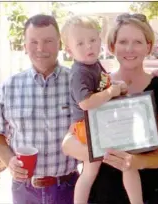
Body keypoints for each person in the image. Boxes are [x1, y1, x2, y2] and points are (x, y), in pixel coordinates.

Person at [62, 13, 158, 204]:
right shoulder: (100, 85)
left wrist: (137, 161)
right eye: (123, 41)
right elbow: (69, 141)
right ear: (112, 46)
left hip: (144, 189)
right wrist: (97, 151)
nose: (129, 49)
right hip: (101, 190)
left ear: (148, 46)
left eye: (138, 42)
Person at [0, 14, 79, 204]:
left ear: (59, 43)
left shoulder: (77, 83)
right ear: (25, 46)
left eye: (48, 41)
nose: (40, 48)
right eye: (33, 41)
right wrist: (9, 160)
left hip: (70, 188)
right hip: (24, 190)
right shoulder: (10, 86)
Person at [60, 16, 143, 204]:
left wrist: (115, 86)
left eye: (92, 40)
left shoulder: (94, 64)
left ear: (99, 40)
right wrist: (111, 92)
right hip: (86, 126)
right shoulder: (79, 72)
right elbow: (85, 102)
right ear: (69, 50)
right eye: (80, 43)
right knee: (93, 171)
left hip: (98, 122)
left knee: (124, 164)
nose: (88, 47)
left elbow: (103, 85)